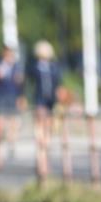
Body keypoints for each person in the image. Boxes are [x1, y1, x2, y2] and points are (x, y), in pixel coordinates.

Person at [28, 40, 61, 181]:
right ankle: (41, 163)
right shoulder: (34, 68)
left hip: (50, 103)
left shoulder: (53, 68)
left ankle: (44, 161)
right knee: (40, 134)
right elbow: (29, 85)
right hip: (39, 102)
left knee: (48, 134)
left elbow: (57, 85)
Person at [0, 44, 24, 170]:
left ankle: (11, 144)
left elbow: (20, 83)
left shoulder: (16, 66)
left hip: (12, 97)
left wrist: (21, 97)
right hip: (0, 97)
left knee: (14, 124)